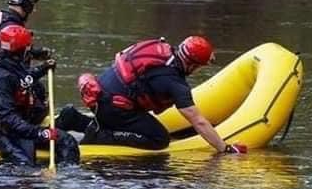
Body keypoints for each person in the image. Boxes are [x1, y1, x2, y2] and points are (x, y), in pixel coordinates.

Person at [57, 36, 246, 154]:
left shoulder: (160, 50)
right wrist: (225, 148)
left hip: (100, 94)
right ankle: (100, 135)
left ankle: (74, 118)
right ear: (193, 65)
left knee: (129, 114)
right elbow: (199, 122)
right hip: (113, 107)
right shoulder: (175, 83)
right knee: (159, 139)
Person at [0, 24, 79, 167]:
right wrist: (39, 133)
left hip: (20, 125)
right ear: (22, 50)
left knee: (67, 141)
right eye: (28, 47)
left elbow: (21, 80)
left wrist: (42, 69)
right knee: (25, 165)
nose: (29, 50)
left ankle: (68, 176)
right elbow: (7, 119)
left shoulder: (10, 62)